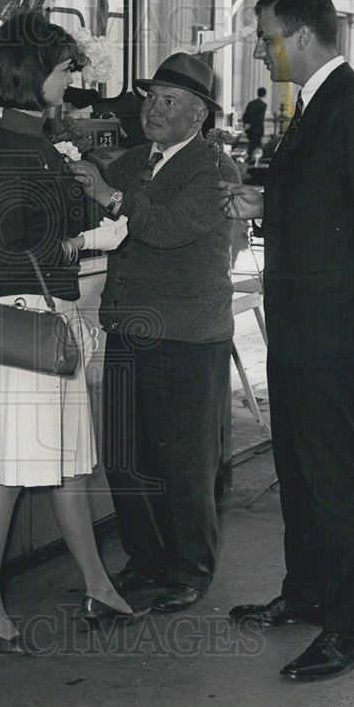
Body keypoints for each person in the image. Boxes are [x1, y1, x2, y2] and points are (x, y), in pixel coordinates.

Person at [218, 0, 354, 681]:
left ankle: (351, 624)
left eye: (267, 35)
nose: (262, 51)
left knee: (338, 478)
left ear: (300, 34)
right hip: (300, 327)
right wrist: (266, 197)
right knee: (298, 470)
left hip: (332, 328)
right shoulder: (314, 106)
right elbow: (323, 197)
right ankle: (306, 593)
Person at [0, 11, 144, 655]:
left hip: (49, 326)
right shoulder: (13, 147)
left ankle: (98, 584)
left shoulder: (35, 140)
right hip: (27, 330)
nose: (72, 75)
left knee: (69, 466)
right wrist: (85, 242)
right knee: (6, 475)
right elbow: (9, 246)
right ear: (29, 71)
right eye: (63, 66)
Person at [71, 53, 240, 615]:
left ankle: (189, 570)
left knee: (185, 461)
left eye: (170, 101)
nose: (154, 110)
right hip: (128, 328)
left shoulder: (215, 170)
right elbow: (92, 203)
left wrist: (107, 195)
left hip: (188, 336)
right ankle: (145, 560)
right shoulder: (133, 162)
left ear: (200, 116)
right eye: (150, 98)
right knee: (125, 456)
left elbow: (167, 228)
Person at [242, 87, 268, 159]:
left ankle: (250, 159)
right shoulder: (263, 104)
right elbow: (259, 118)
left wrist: (245, 124)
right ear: (265, 94)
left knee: (253, 145)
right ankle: (252, 161)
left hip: (249, 130)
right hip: (257, 129)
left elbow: (245, 115)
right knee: (255, 146)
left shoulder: (250, 103)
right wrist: (250, 124)